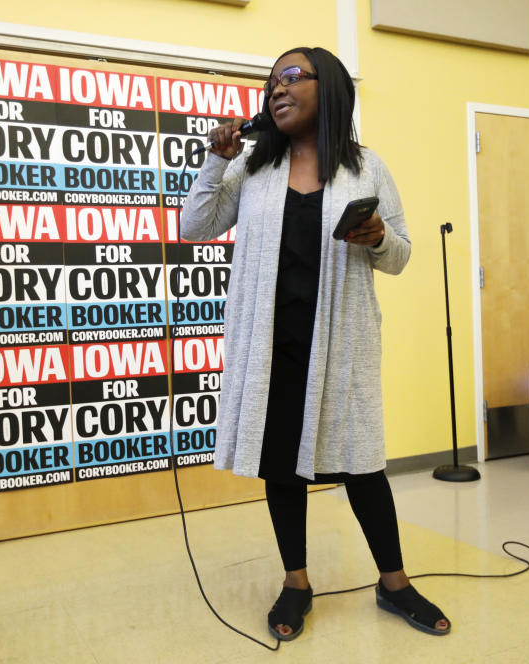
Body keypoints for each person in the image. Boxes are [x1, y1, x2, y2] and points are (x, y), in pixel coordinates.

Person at [178, 46, 450, 641]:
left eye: (293, 76)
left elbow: (401, 256)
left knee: (362, 466)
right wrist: (212, 162)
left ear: (328, 88)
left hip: (342, 344)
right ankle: (296, 582)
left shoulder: (367, 168)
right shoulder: (251, 168)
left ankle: (394, 583)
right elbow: (193, 227)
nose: (278, 87)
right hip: (270, 347)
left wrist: (377, 236)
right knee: (282, 467)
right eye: (272, 80)